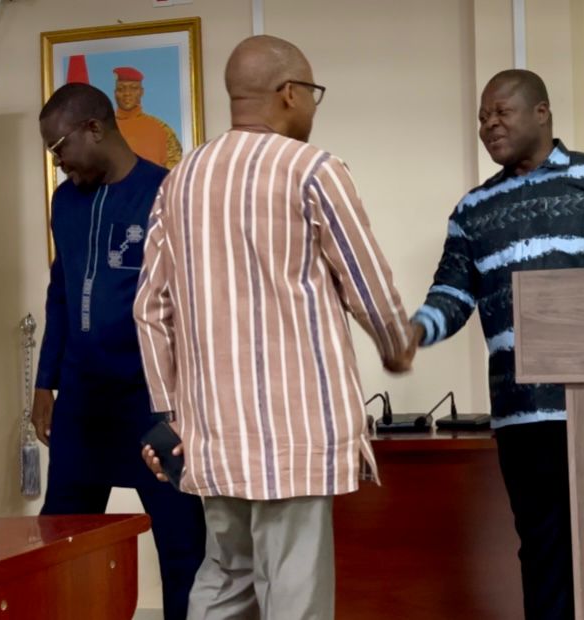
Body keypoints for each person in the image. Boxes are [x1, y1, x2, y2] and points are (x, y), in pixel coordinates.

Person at [135, 35, 413, 619]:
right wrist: (397, 343)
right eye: (312, 94)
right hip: (295, 433)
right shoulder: (313, 170)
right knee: (294, 588)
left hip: (212, 432)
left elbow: (150, 309)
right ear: (290, 93)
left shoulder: (180, 180)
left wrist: (171, 413)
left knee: (225, 577)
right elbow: (366, 285)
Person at [405, 69, 584, 620]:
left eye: (501, 112)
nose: (489, 125)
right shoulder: (473, 209)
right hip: (522, 416)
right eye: (482, 117)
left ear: (542, 113)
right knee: (543, 553)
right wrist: (413, 331)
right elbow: (452, 295)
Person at [32, 82, 205, 620]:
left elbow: (195, 302)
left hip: (154, 402)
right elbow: (61, 293)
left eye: (58, 147)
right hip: (83, 401)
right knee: (60, 541)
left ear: (93, 128)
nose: (57, 163)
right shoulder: (65, 201)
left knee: (183, 545)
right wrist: (45, 382)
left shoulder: (167, 193)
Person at [112, 67, 182, 169]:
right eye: (121, 89)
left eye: (133, 88)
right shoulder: (104, 129)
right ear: (115, 93)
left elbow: (174, 169)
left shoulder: (161, 129)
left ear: (141, 92)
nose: (127, 93)